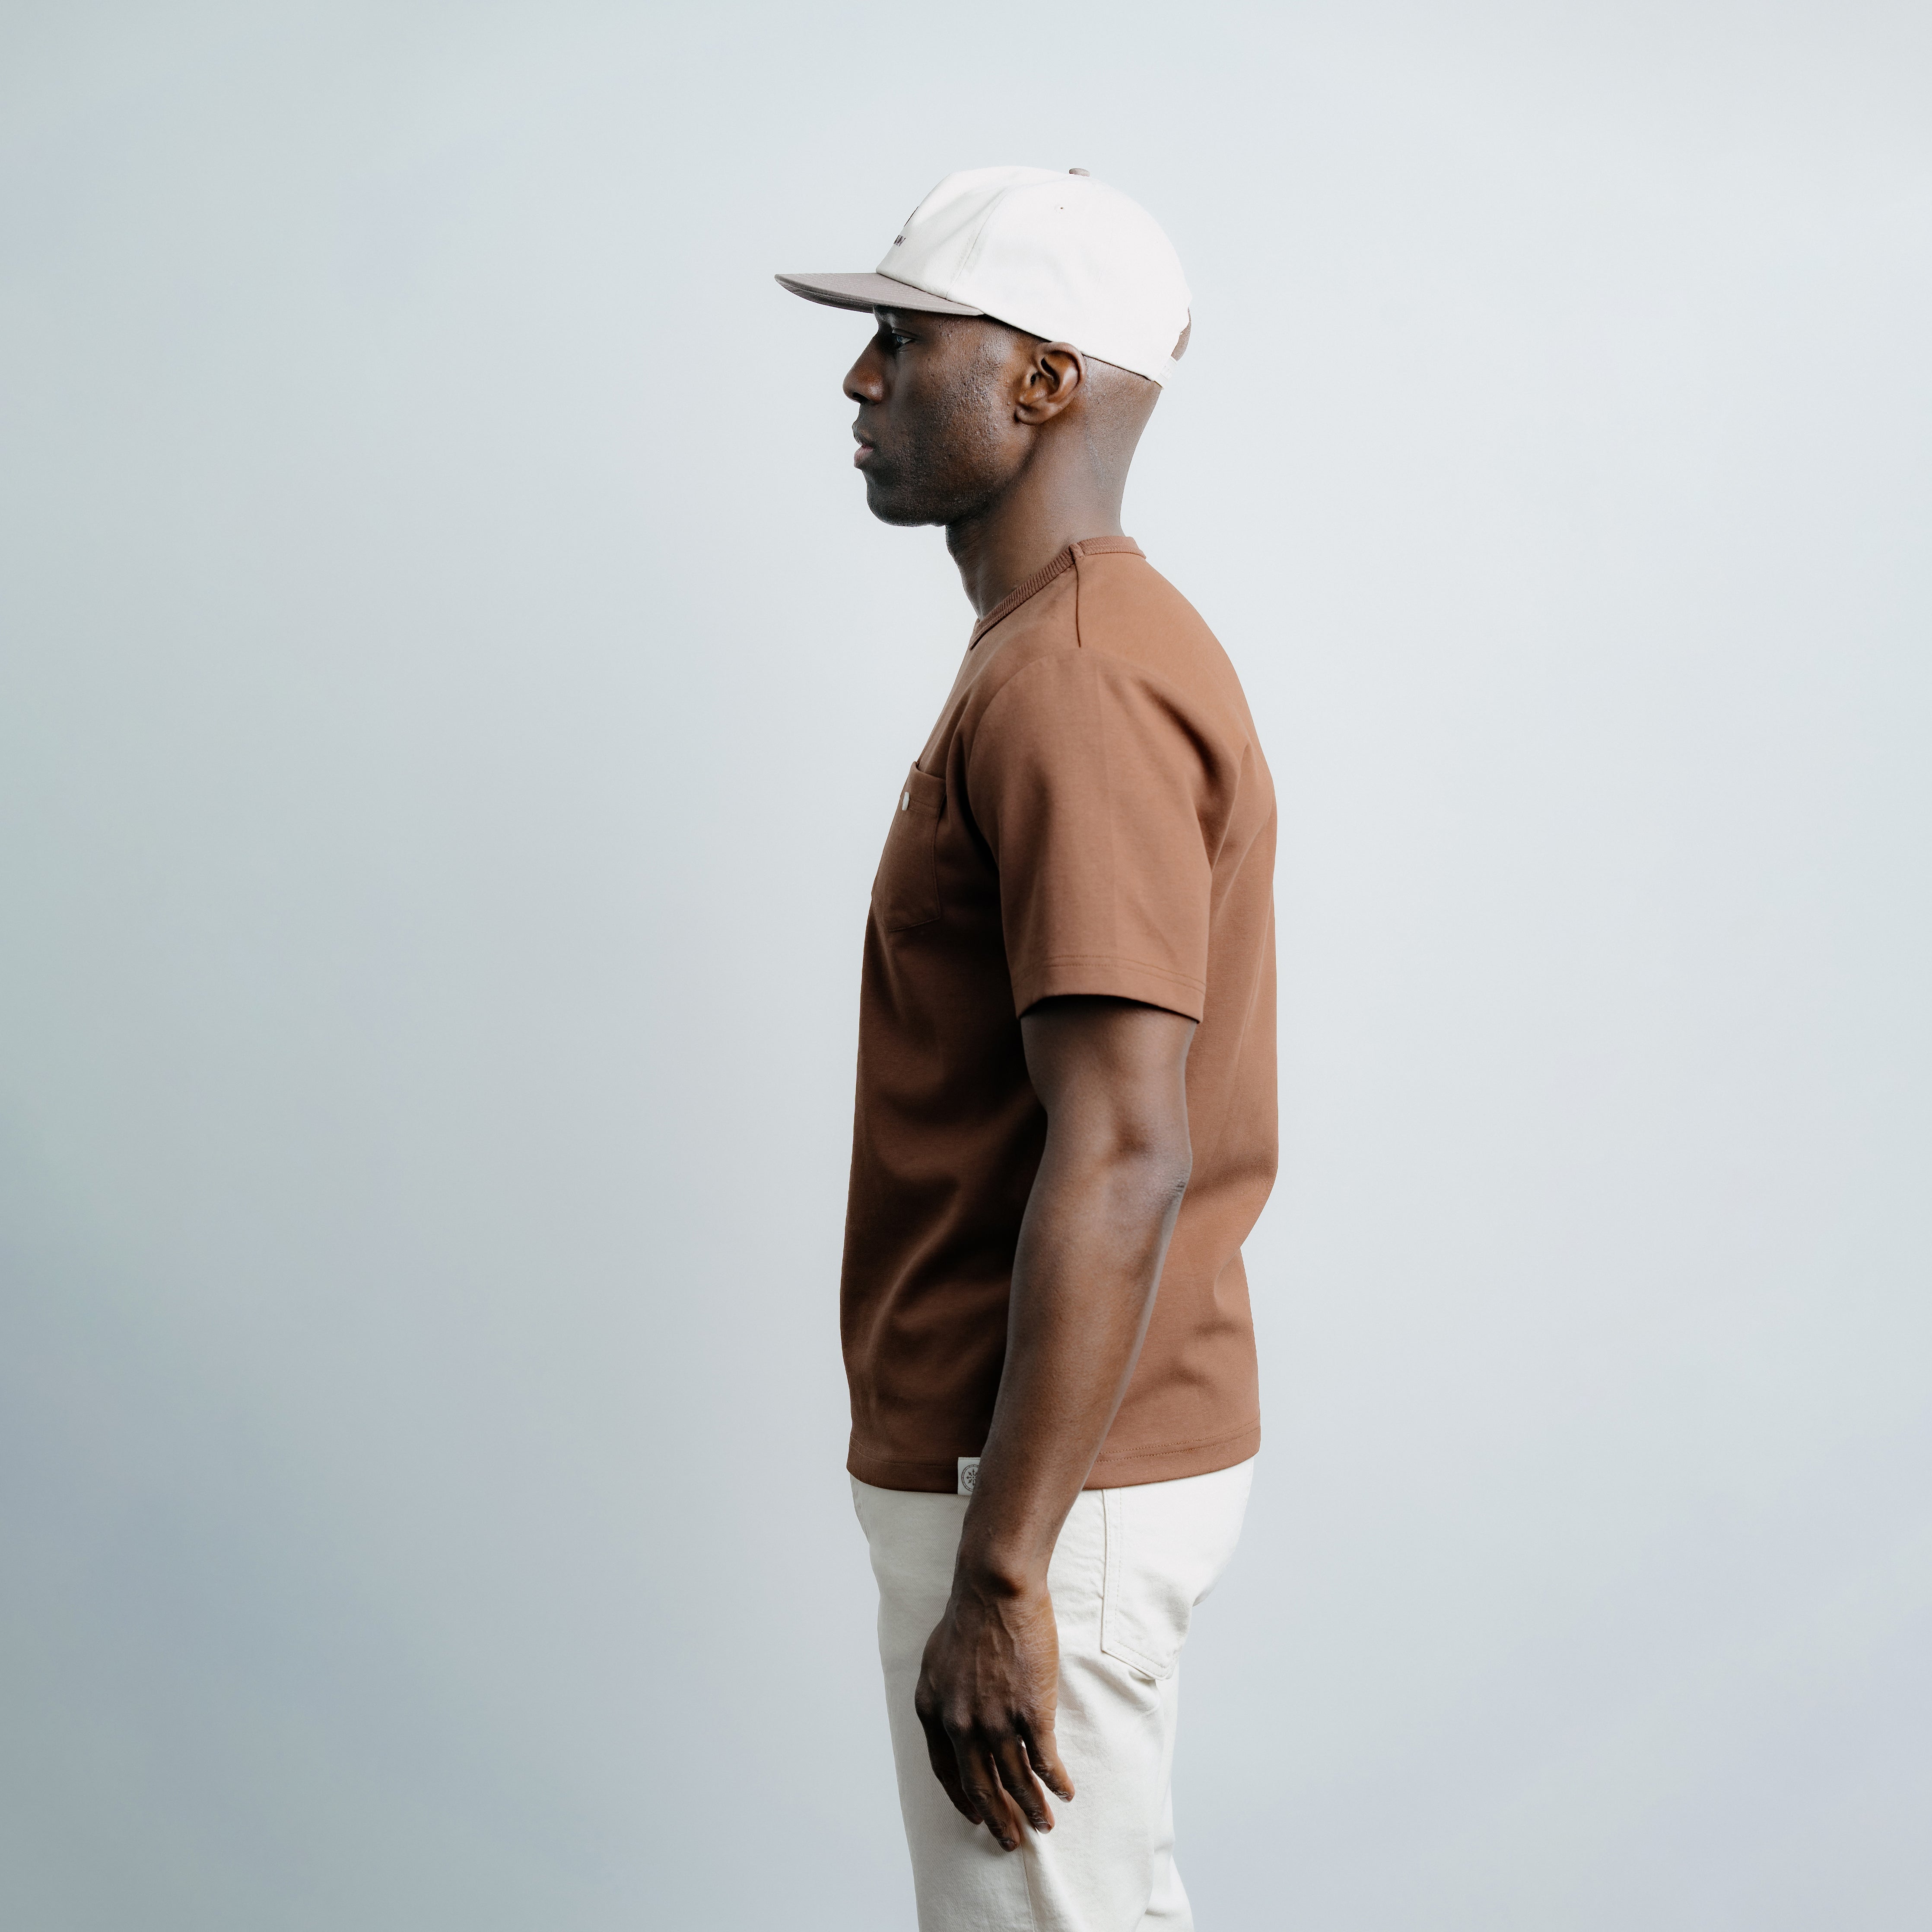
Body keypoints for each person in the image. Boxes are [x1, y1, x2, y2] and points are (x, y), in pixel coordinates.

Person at [777, 166, 1277, 1932]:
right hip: (1030, 1466)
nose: (860, 384)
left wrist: (1001, 1570)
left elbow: (1123, 1144)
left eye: (902, 344)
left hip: (1046, 1487)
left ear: (1040, 382)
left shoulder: (1071, 677)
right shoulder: (1051, 652)